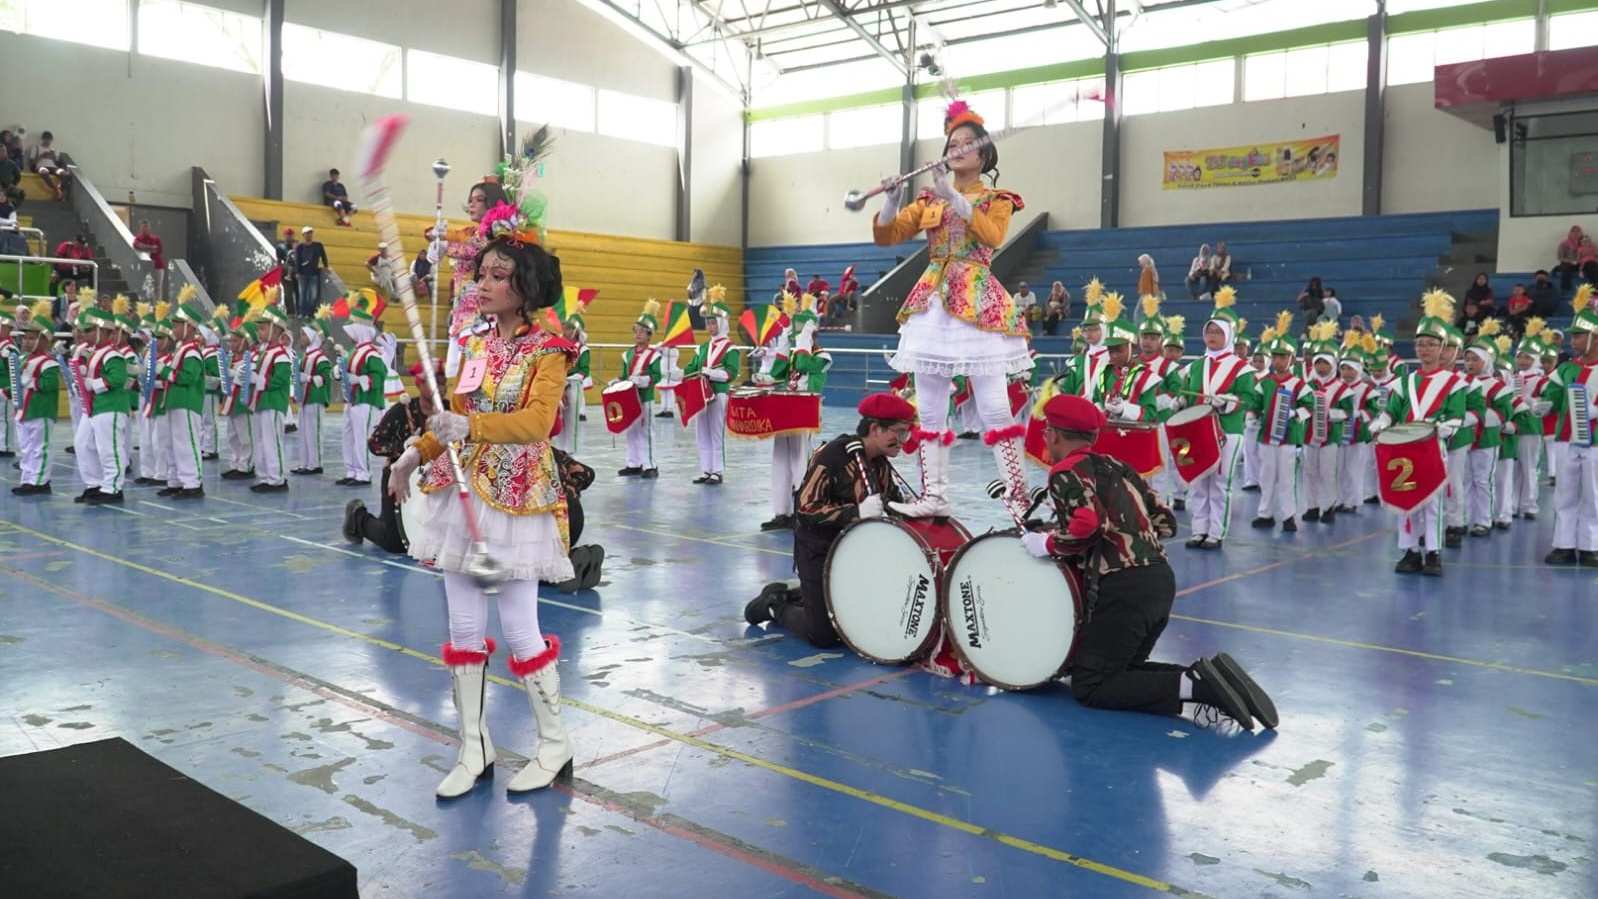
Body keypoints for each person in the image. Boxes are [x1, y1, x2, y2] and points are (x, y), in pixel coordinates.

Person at [387, 228, 576, 798]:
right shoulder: (472, 342)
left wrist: (470, 426)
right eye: (483, 274)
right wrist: (412, 453)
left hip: (517, 497)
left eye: (499, 276)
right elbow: (451, 416)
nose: (485, 285)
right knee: (462, 626)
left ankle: (554, 742)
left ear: (526, 288)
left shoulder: (549, 350)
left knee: (520, 626)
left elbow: (538, 424)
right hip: (460, 488)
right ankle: (475, 746)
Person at [1019, 393, 1274, 730]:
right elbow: (1165, 521)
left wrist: (1046, 541)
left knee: (1091, 685)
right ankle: (1211, 677)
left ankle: (1195, 686)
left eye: (1047, 432)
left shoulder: (1065, 472)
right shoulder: (1117, 465)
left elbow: (1088, 526)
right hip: (1159, 580)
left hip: (1124, 588)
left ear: (1054, 434)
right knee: (1120, 670)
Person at [872, 98, 1033, 523]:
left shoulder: (998, 198)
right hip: (932, 299)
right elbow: (890, 235)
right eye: (952, 143)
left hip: (977, 297)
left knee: (995, 406)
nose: (956, 149)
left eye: (966, 144)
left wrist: (952, 197)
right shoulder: (928, 199)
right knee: (929, 407)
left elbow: (992, 235)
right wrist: (891, 201)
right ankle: (934, 496)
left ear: (983, 154)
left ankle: (1020, 500)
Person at [743, 393, 912, 647]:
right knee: (824, 635)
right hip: (818, 549)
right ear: (875, 428)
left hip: (853, 553)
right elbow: (806, 508)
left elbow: (891, 503)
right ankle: (774, 605)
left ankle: (802, 593)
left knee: (859, 616)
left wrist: (910, 509)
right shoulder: (833, 454)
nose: (902, 441)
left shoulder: (880, 463)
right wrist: (854, 513)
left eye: (905, 433)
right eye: (898, 432)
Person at [1369, 290, 1468, 576]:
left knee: (1433, 503)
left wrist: (1442, 428)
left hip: (1433, 448)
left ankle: (1434, 553)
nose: (1424, 349)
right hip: (1404, 449)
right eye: (1420, 344)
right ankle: (1410, 551)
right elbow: (1392, 411)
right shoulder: (1405, 381)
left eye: (1430, 344)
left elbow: (1457, 417)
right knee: (1406, 502)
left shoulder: (1454, 383)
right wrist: (1381, 421)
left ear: (1442, 348)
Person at [1175, 288, 1257, 550]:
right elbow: (1184, 396)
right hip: (1199, 431)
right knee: (1199, 481)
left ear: (1229, 336)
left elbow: (1250, 399)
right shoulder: (1194, 366)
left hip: (1228, 430)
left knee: (1221, 483)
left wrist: (1228, 401)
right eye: (1209, 331)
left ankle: (1216, 533)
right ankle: (1199, 530)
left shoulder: (1242, 367)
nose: (1212, 336)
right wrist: (1176, 402)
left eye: (1218, 332)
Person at [345, 360, 440, 554]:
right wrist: (404, 447)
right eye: (434, 381)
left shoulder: (448, 410)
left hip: (438, 480)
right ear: (420, 384)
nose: (441, 386)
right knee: (395, 542)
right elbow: (375, 443)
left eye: (443, 381)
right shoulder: (401, 411)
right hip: (398, 477)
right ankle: (358, 518)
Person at [1539, 285, 1598, 567]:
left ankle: (1590, 545)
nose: (1573, 340)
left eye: (1579, 335)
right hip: (1565, 438)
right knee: (1565, 493)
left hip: (1596, 442)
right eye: (1573, 335)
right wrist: (1544, 404)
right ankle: (1563, 544)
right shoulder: (1565, 368)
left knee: (1594, 495)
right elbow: (1550, 395)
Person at [431, 178, 506, 377]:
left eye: (479, 199)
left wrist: (446, 246)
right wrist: (437, 243)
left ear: (493, 203)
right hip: (461, 313)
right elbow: (452, 240)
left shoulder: (497, 235)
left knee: (470, 376)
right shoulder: (469, 232)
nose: (472, 204)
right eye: (470, 199)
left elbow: (477, 249)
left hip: (481, 316)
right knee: (452, 374)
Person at [1249, 318, 1311, 533]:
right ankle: (1265, 513)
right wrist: (1252, 414)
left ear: (1291, 359)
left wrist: (1296, 414)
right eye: (1275, 356)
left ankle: (1288, 516)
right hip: (1266, 436)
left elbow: (1309, 406)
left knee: (1286, 478)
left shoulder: (1299, 384)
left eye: (1282, 357)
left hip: (1288, 437)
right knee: (1266, 476)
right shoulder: (1264, 383)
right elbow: (1255, 405)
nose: (1278, 361)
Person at [73, 302, 132, 504]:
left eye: (89, 330)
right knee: (83, 444)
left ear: (102, 331)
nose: (85, 334)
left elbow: (117, 378)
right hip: (96, 407)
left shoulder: (112, 354)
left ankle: (113, 487)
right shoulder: (93, 353)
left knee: (109, 448)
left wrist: (92, 383)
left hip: (112, 406)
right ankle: (94, 484)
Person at [682, 287, 739, 486]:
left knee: (716, 434)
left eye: (714, 322)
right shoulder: (703, 348)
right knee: (701, 434)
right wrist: (675, 372)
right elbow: (690, 368)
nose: (710, 325)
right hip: (700, 395)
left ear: (722, 323)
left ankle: (718, 471)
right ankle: (706, 469)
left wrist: (710, 372)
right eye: (708, 322)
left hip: (718, 394)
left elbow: (730, 373)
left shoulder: (730, 348)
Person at [1301, 321, 1352, 526]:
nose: (1321, 367)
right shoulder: (1307, 385)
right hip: (1308, 435)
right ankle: (1311, 506)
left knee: (1328, 473)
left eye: (1326, 363)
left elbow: (1348, 413)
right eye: (1318, 363)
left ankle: (1328, 506)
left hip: (1330, 436)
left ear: (1333, 365)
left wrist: (1328, 413)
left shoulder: (1342, 388)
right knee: (1309, 471)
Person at [157, 296, 207, 499]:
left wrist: (166, 372)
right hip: (176, 401)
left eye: (178, 326)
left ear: (189, 327)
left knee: (186, 443)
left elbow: (187, 378)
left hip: (187, 402)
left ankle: (192, 483)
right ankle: (175, 480)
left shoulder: (193, 352)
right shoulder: (182, 350)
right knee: (172, 443)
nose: (174, 329)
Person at [9, 300, 61, 494]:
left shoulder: (49, 363)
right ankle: (28, 479)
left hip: (41, 410)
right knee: (26, 448)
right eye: (26, 338)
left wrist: (27, 380)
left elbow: (49, 385)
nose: (27, 341)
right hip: (24, 411)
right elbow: (16, 383)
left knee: (40, 448)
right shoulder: (22, 359)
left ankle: (41, 481)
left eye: (32, 338)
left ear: (45, 340)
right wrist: (8, 390)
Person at [337, 293, 387, 487]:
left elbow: (379, 375)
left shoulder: (371, 353)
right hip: (352, 400)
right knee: (348, 436)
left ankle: (363, 474)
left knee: (360, 437)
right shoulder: (354, 351)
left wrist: (359, 379)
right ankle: (351, 470)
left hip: (365, 400)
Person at [614, 300, 663, 478]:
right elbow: (624, 375)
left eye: (643, 331)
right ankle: (633, 463)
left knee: (646, 432)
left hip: (645, 398)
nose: (638, 334)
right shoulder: (627, 354)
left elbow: (657, 376)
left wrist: (640, 380)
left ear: (650, 335)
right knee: (631, 431)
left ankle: (650, 465)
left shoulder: (654, 355)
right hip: (629, 399)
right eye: (637, 330)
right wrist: (618, 381)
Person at [247, 300, 293, 493]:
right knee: (260, 440)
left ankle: (277, 478)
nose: (260, 332)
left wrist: (259, 380)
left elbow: (281, 379)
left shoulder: (281, 354)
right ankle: (265, 475)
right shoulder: (265, 352)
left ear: (275, 330)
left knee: (272, 440)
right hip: (261, 402)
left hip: (273, 402)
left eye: (263, 328)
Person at [291, 309, 334, 475]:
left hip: (314, 398)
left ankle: (315, 464)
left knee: (313, 432)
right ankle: (305, 462)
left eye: (303, 335)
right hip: (305, 399)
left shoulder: (320, 358)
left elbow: (325, 377)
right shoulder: (307, 356)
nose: (300, 338)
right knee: (304, 433)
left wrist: (308, 378)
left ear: (313, 337)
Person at [293, 226, 328, 317]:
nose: (309, 235)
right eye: (307, 233)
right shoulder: (299, 247)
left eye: (310, 233)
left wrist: (326, 266)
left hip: (314, 273)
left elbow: (323, 256)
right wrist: (297, 272)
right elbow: (297, 260)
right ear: (303, 235)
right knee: (302, 294)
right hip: (302, 273)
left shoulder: (318, 245)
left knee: (313, 295)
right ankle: (302, 312)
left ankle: (310, 313)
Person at [27, 131, 71, 200]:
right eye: (46, 139)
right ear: (43, 139)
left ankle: (59, 191)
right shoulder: (35, 147)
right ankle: (57, 190)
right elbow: (31, 163)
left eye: (49, 140)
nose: (48, 142)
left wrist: (53, 157)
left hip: (53, 167)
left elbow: (57, 163)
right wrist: (41, 156)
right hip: (41, 166)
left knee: (64, 174)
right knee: (44, 172)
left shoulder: (53, 150)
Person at [274, 228, 298, 313]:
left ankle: (299, 312)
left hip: (297, 271)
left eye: (290, 235)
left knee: (298, 292)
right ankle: (290, 312)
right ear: (284, 236)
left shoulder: (297, 246)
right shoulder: (280, 247)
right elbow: (279, 261)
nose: (289, 237)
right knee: (288, 293)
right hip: (285, 272)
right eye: (287, 235)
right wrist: (278, 273)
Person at [1555, 226, 1584, 293]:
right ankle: (1565, 289)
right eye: (1574, 231)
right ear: (1570, 233)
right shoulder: (1564, 244)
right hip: (1568, 263)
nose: (1576, 233)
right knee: (1565, 267)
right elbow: (1560, 257)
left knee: (1592, 265)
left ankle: (1595, 287)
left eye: (1578, 231)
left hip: (1581, 264)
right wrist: (1571, 261)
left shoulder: (1584, 243)